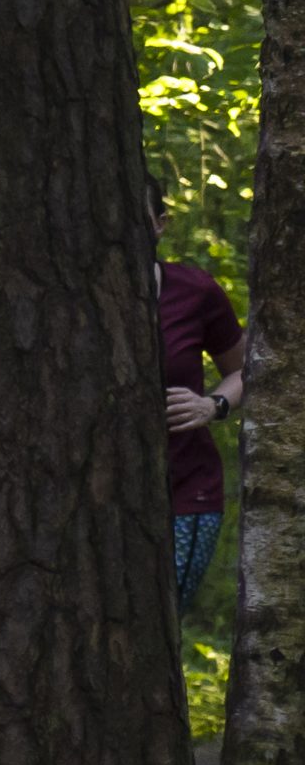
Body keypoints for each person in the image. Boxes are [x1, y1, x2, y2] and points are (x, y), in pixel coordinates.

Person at [149, 174, 247, 616]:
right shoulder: (64, 297)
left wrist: (213, 404)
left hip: (187, 494)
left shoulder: (194, 291)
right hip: (86, 493)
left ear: (160, 224)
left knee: (159, 621)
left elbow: (246, 369)